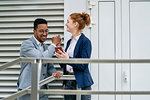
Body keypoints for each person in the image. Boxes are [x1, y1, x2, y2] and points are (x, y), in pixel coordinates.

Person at [17, 18, 62, 100]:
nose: (45, 34)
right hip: (28, 89)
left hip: (42, 89)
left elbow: (49, 65)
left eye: (46, 31)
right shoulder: (26, 44)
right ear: (34, 31)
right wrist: (53, 45)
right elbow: (40, 58)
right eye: (41, 31)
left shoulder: (45, 47)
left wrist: (54, 73)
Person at [55, 12, 94, 100]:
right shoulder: (70, 42)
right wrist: (61, 57)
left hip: (81, 81)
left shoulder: (85, 41)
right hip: (69, 80)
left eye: (68, 21)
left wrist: (68, 59)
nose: (66, 24)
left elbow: (83, 65)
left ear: (75, 24)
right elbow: (65, 64)